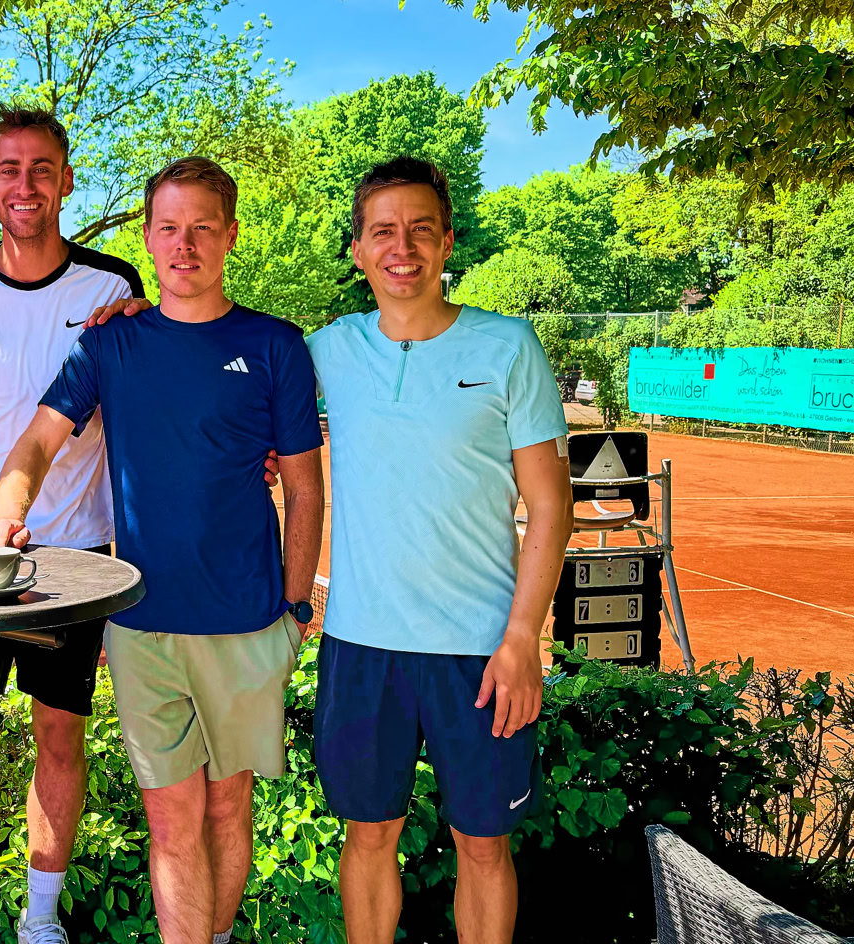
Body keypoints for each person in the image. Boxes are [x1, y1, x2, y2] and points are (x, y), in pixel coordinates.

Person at [0, 156, 325, 944]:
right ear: (149, 237)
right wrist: (5, 513)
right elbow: (38, 441)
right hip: (141, 627)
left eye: (202, 227)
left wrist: (295, 610)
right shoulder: (110, 344)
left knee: (228, 807)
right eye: (169, 227)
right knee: (171, 818)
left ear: (230, 235)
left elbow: (305, 490)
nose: (184, 244)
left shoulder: (275, 345)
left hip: (247, 622)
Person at [307, 156, 570, 944]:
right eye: (384, 231)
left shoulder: (508, 346)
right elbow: (223, 369)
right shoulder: (326, 350)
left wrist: (522, 639)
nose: (404, 247)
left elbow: (551, 506)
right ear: (358, 249)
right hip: (361, 645)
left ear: (448, 241)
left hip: (482, 650)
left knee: (483, 845)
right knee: (368, 836)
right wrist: (139, 312)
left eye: (422, 229)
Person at [0, 106, 145, 944]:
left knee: (59, 732)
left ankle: (39, 919)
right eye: (9, 169)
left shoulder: (113, 288)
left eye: (42, 168)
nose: (25, 185)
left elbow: (144, 400)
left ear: (67, 181)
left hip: (74, 550)